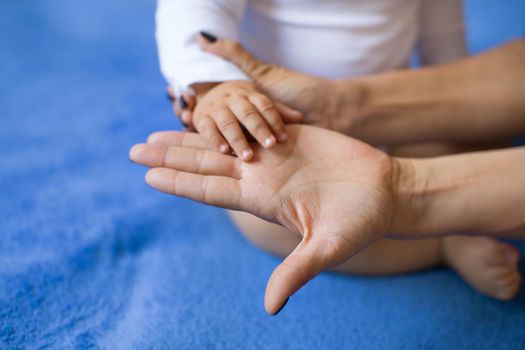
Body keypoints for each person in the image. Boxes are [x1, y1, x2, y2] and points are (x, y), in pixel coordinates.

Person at [131, 40, 525, 315]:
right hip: (284, 133)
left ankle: (443, 206)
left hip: (400, 119)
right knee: (270, 220)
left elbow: (444, 39)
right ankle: (441, 244)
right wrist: (215, 84)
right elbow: (190, 18)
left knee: (480, 135)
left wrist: (455, 96)